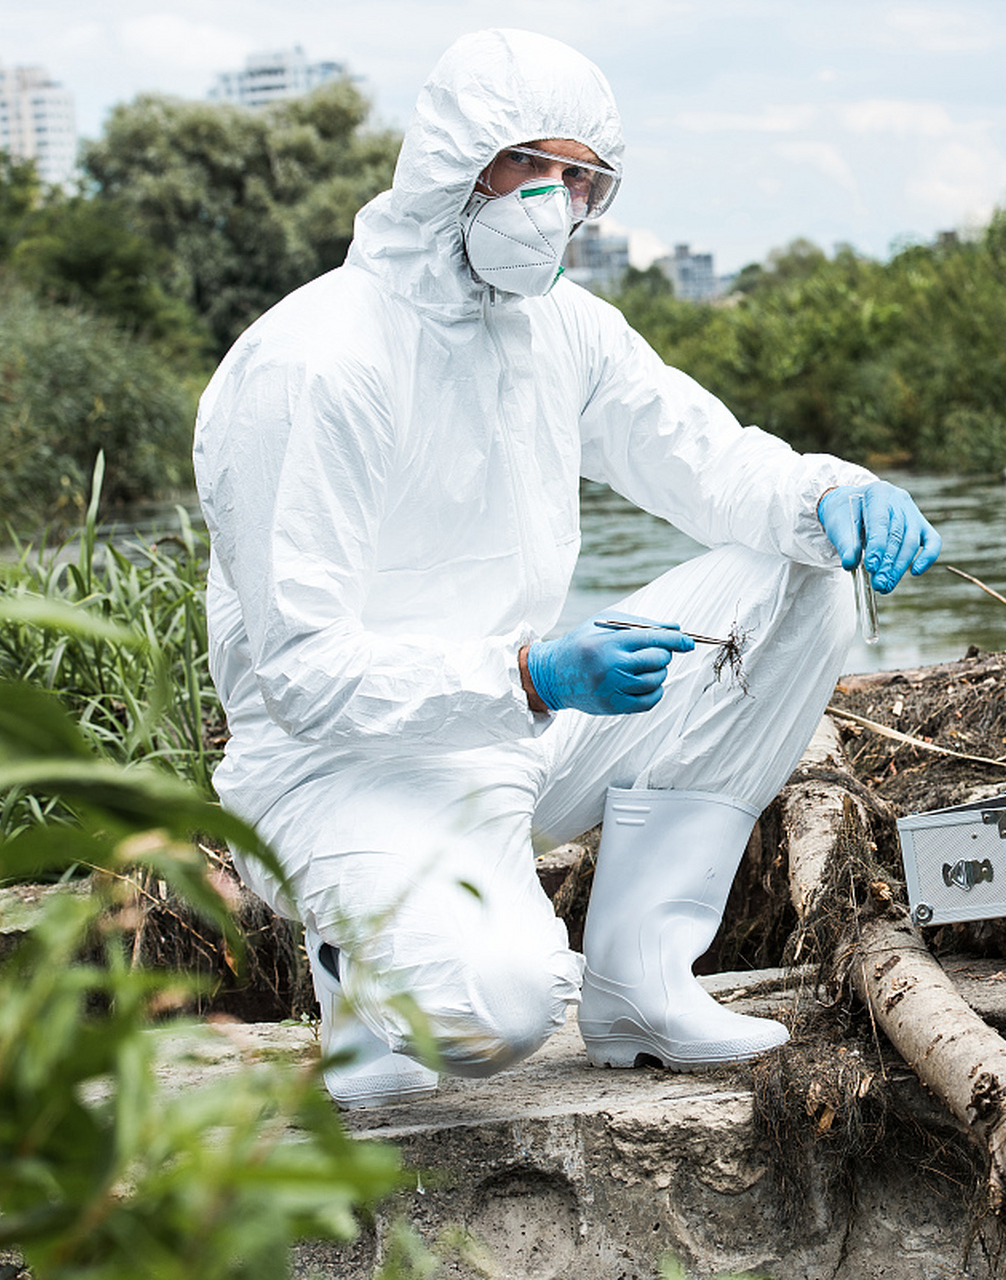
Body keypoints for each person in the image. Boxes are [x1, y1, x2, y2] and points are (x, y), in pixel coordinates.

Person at [193, 28, 940, 1108]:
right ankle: (356, 972)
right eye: (527, 165)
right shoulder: (318, 358)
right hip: (339, 770)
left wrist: (829, 495)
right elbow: (301, 673)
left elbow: (707, 457)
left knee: (800, 575)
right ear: (455, 160)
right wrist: (531, 674)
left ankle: (640, 982)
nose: (554, 200)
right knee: (493, 1009)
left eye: (579, 177)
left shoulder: (563, 330)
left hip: (522, 718)